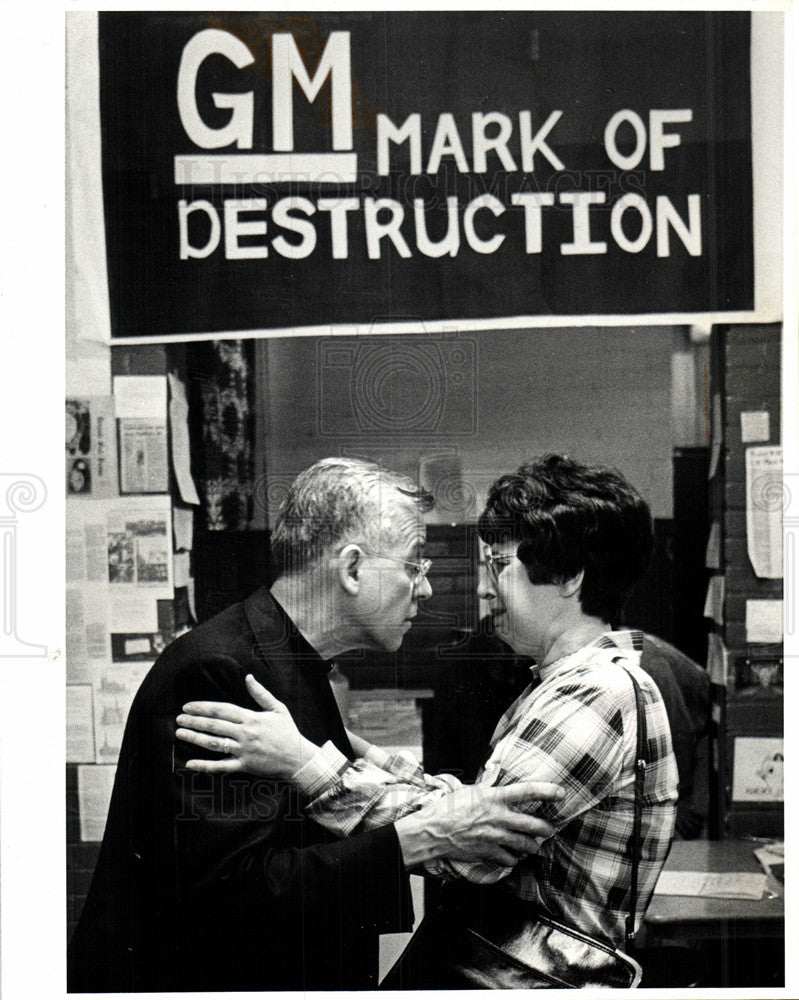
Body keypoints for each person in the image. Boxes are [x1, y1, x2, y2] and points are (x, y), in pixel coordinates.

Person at [176, 454, 679, 985]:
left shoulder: (596, 694)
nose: (485, 590)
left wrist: (308, 763)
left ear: (570, 578)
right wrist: (360, 753)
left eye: (500, 566)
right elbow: (466, 809)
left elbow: (474, 849)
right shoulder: (570, 685)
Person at [67, 457, 561, 993]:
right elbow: (233, 892)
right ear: (351, 569)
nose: (426, 590)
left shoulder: (291, 659)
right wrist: (412, 842)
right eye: (414, 565)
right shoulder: (223, 671)